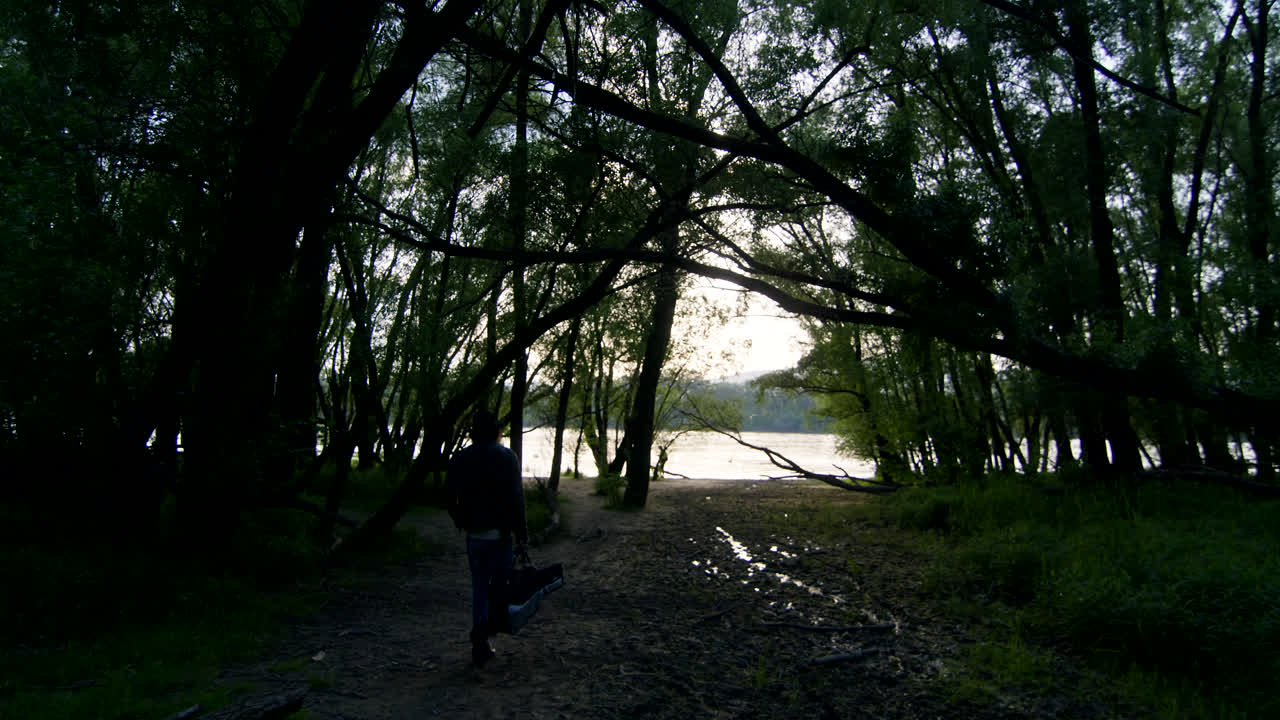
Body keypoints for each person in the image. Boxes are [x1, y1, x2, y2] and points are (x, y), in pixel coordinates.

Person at [446, 408, 528, 668]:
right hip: (500, 535)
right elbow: (517, 499)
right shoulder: (507, 458)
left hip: (475, 536)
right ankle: (483, 635)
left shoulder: (460, 458)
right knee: (498, 588)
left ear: (472, 432)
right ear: (497, 431)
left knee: (479, 587)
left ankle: (479, 637)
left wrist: (460, 520)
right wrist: (522, 534)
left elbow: (447, 496)